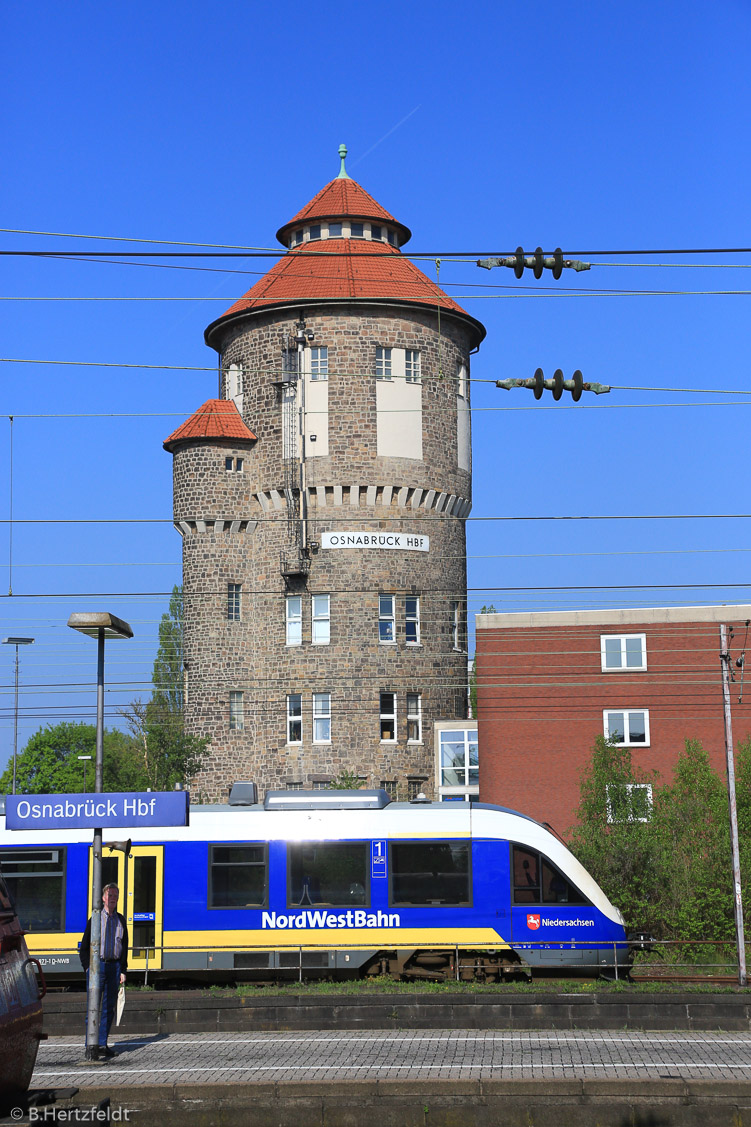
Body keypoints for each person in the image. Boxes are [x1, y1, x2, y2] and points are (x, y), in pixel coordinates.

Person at [80, 882, 128, 1059]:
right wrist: (87, 968)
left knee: (109, 1008)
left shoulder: (121, 920)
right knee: (93, 1007)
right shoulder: (95, 919)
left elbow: (124, 947)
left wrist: (123, 970)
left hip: (114, 967)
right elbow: (84, 947)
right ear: (103, 898)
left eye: (115, 895)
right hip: (97, 967)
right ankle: (90, 1045)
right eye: (110, 895)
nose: (112, 898)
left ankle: (101, 1043)